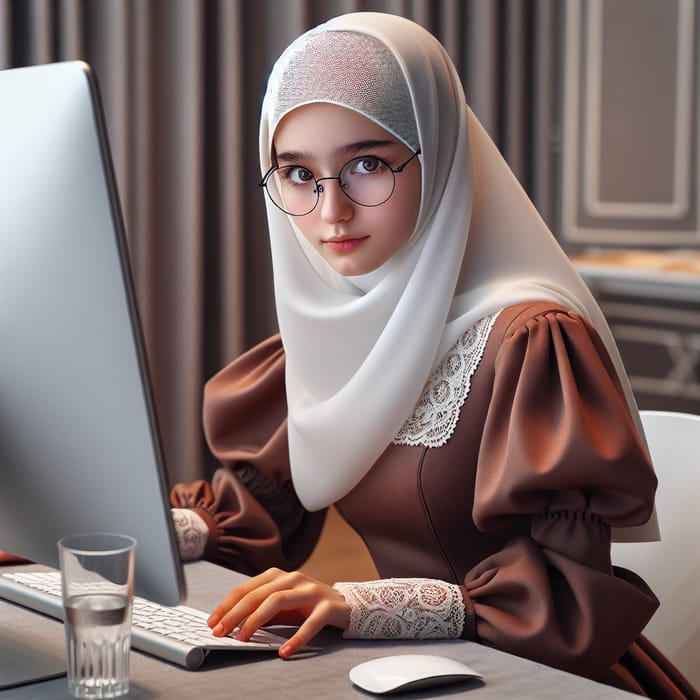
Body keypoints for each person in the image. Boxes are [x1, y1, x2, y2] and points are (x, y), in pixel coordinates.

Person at [170, 12, 698, 699]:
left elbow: (570, 597)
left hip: (547, 680)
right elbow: (255, 513)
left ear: (443, 156)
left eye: (368, 165)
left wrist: (363, 605)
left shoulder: (533, 341)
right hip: (417, 673)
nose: (332, 212)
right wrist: (115, 532)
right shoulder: (330, 333)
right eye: (299, 174)